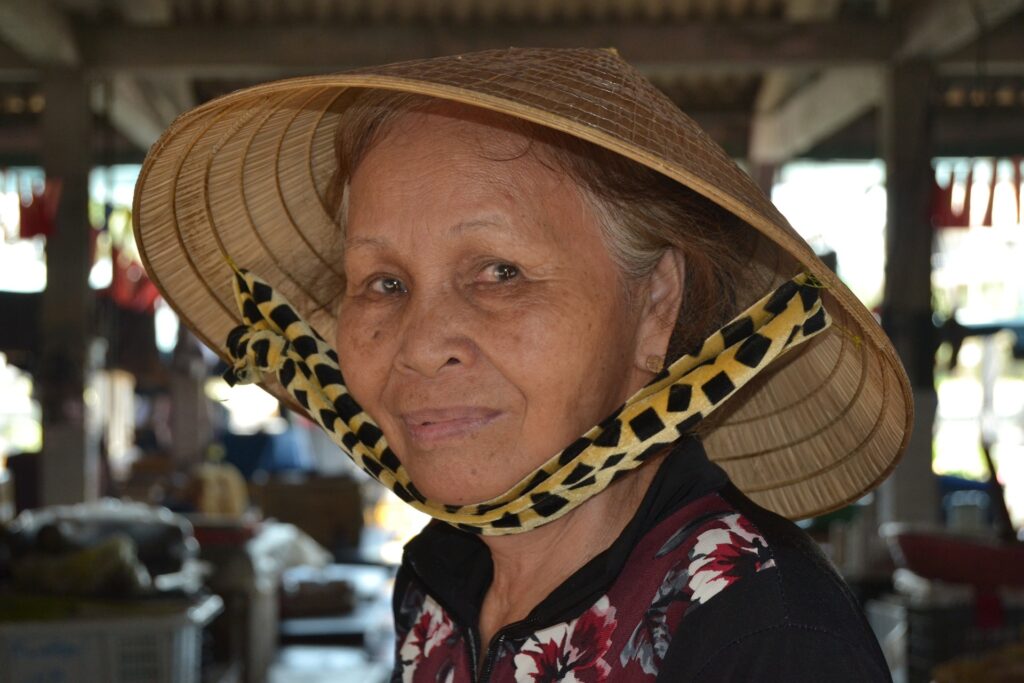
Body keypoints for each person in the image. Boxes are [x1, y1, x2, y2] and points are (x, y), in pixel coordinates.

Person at [134, 48, 911, 681]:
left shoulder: (762, 640)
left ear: (655, 308)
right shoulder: (443, 581)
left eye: (499, 271)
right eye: (384, 283)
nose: (418, 342)